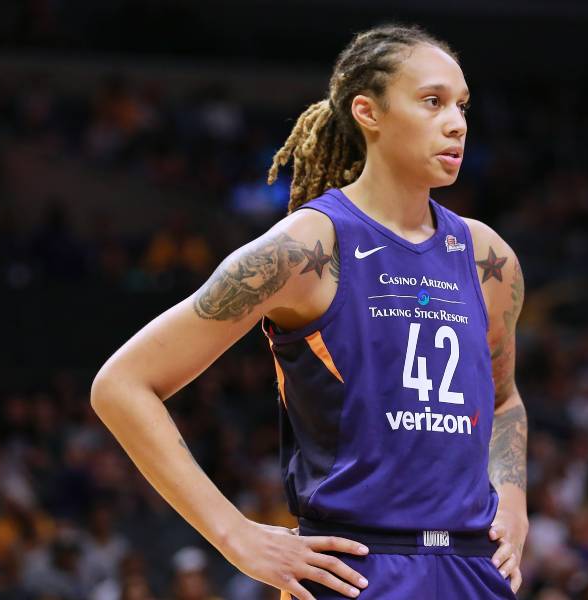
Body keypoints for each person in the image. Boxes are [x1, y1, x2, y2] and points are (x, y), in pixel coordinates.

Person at [91, 23, 528, 600]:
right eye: (432, 102)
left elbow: (502, 399)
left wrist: (514, 501)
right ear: (367, 112)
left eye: (462, 105)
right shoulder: (305, 249)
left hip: (472, 567)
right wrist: (234, 535)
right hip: (355, 569)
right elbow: (121, 384)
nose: (457, 122)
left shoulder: (486, 257)